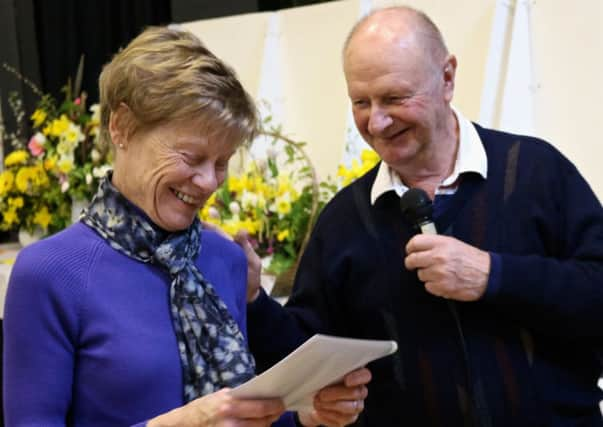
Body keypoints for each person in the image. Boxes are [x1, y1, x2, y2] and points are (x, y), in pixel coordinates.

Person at [240, 6, 603, 426]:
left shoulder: (536, 172)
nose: (376, 121)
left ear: (447, 78)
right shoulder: (343, 220)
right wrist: (254, 301)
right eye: (360, 102)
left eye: (394, 98)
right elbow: (306, 355)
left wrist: (493, 275)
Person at [3, 26, 369, 427]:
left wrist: (307, 415)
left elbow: (240, 418)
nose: (210, 182)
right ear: (121, 127)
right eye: (191, 157)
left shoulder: (224, 260)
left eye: (222, 162)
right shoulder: (50, 273)